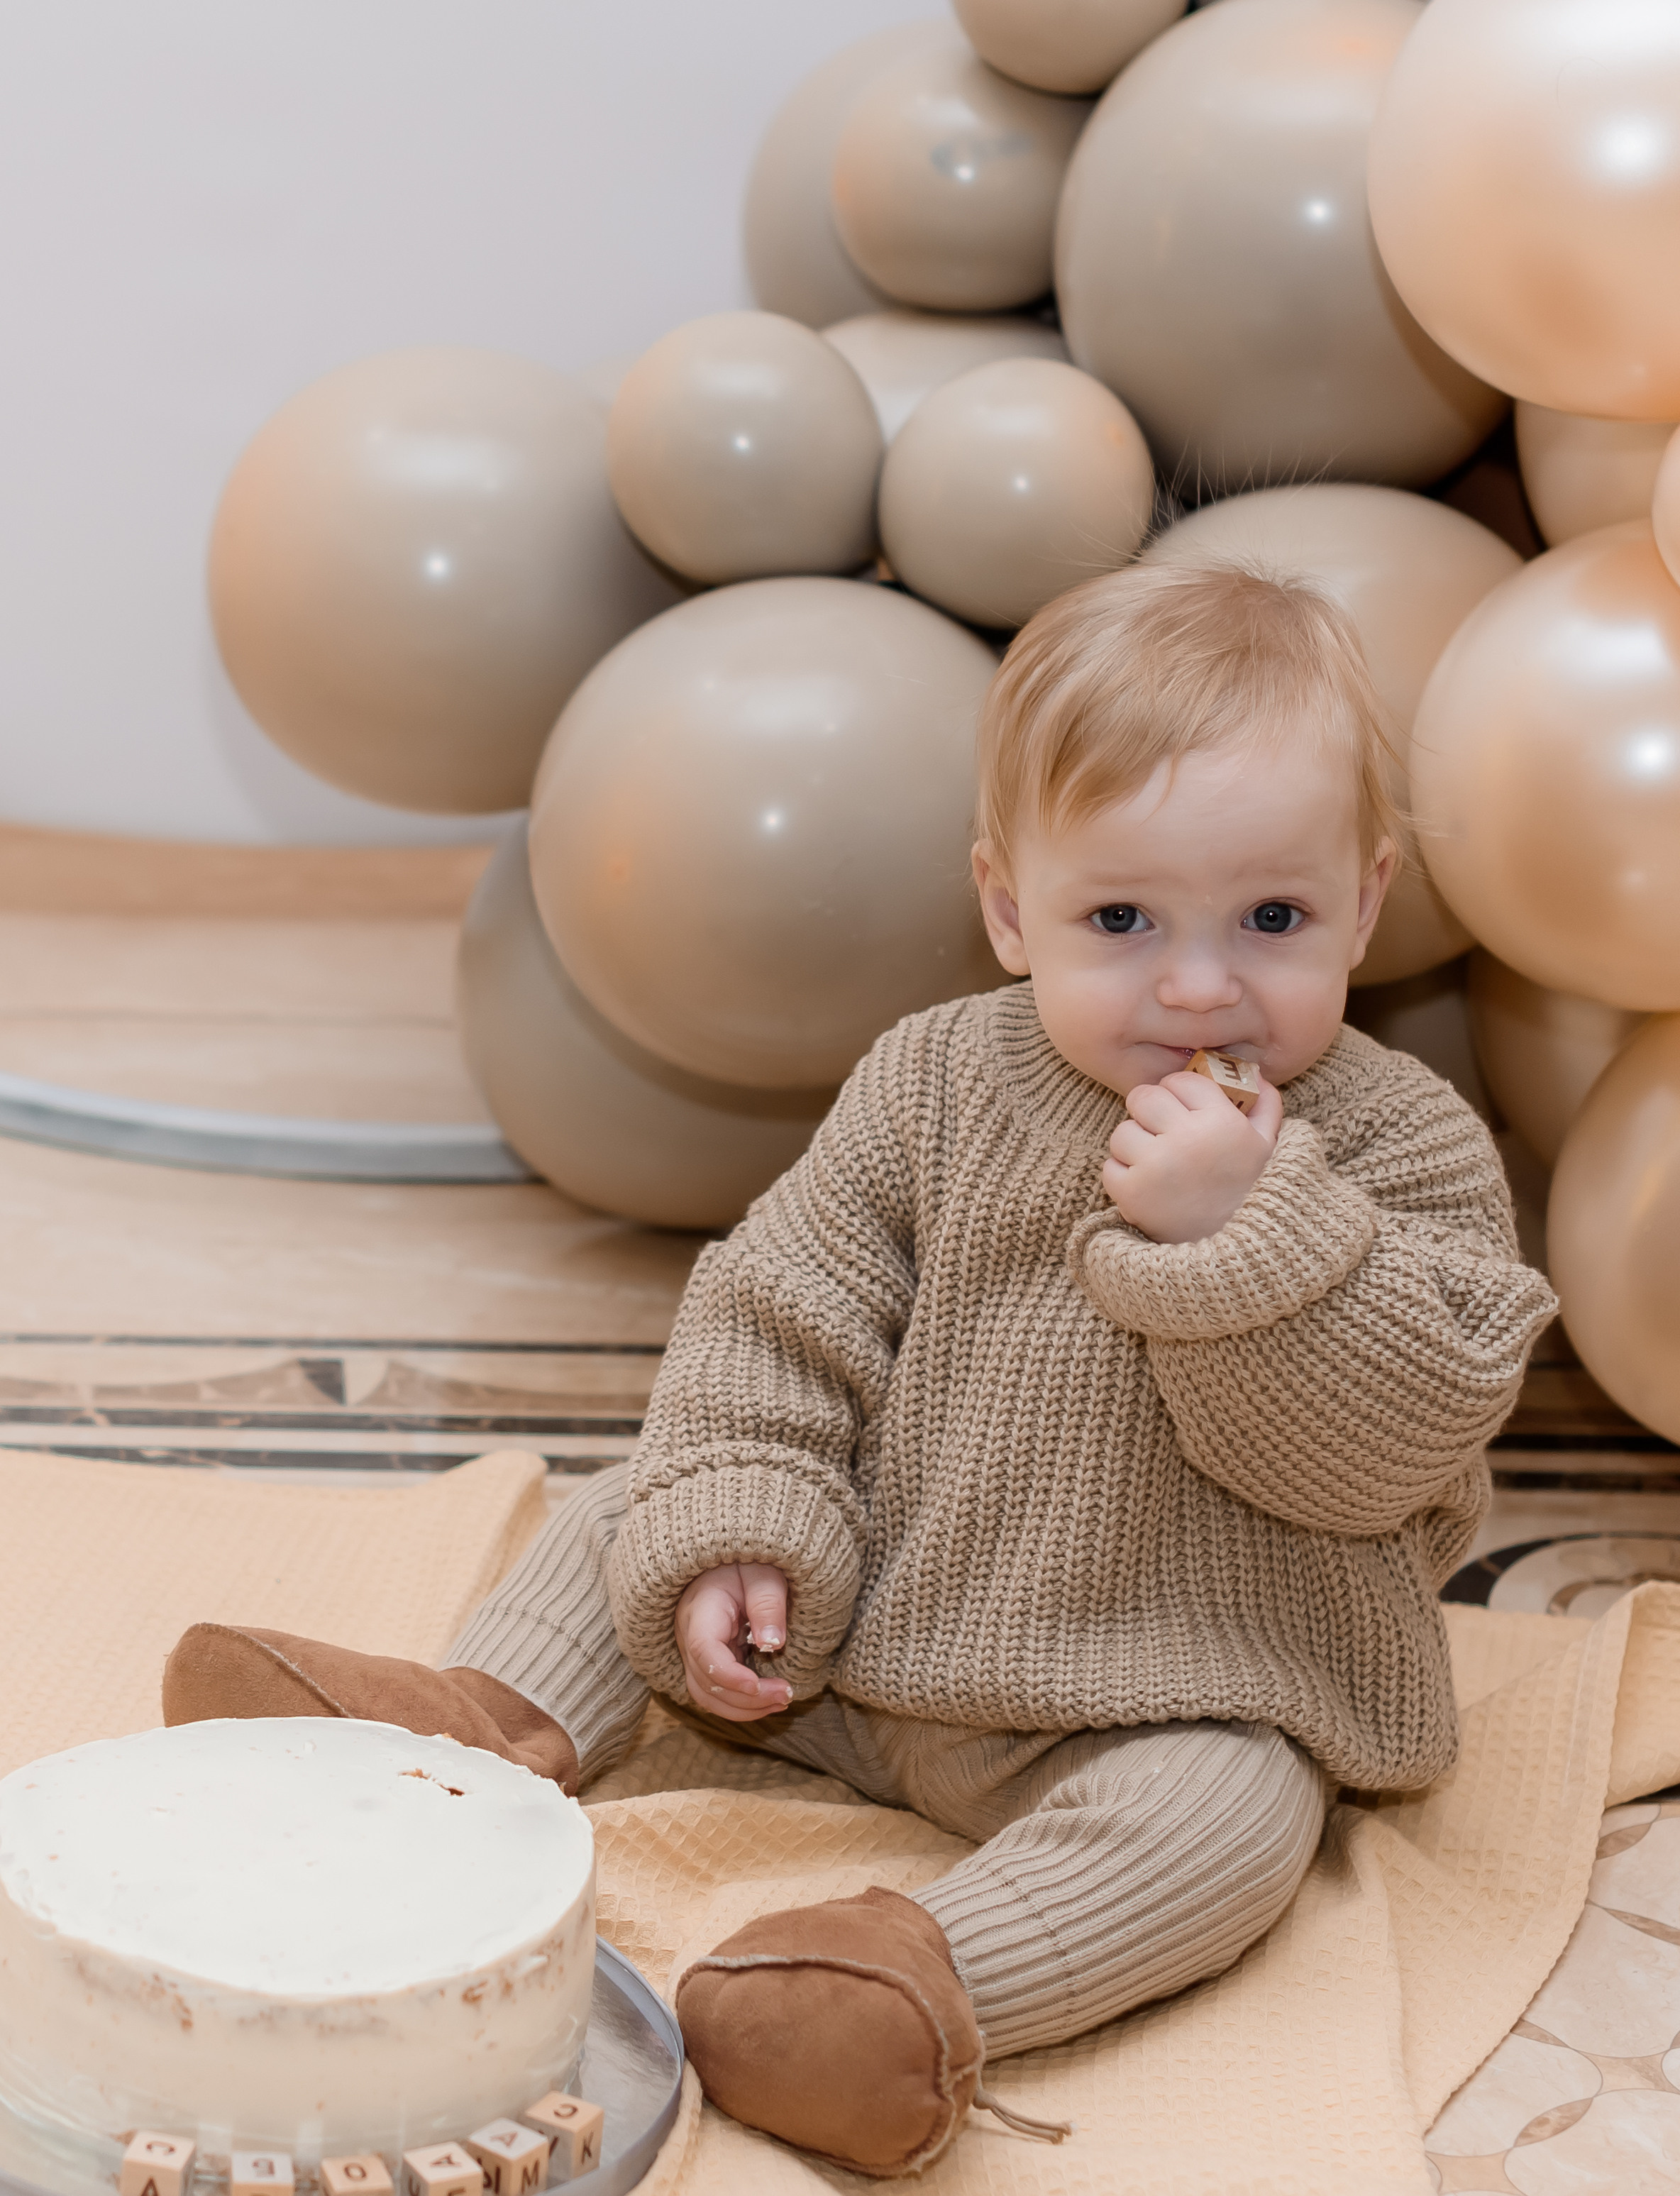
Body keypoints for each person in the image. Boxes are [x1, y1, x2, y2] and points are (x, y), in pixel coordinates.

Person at [165, 565, 1557, 2178]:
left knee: (1241, 1817)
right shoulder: (934, 1080)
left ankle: (910, 1976)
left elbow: (1391, 1456)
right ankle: (475, 1736)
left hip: (1166, 1686)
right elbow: (779, 1310)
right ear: (1003, 906)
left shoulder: (1396, 1149)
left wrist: (1247, 1243)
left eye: (1271, 919)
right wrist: (748, 1529)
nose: (1195, 985)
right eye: (1118, 919)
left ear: (1364, 902)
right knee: (643, 1504)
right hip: (849, 1640)